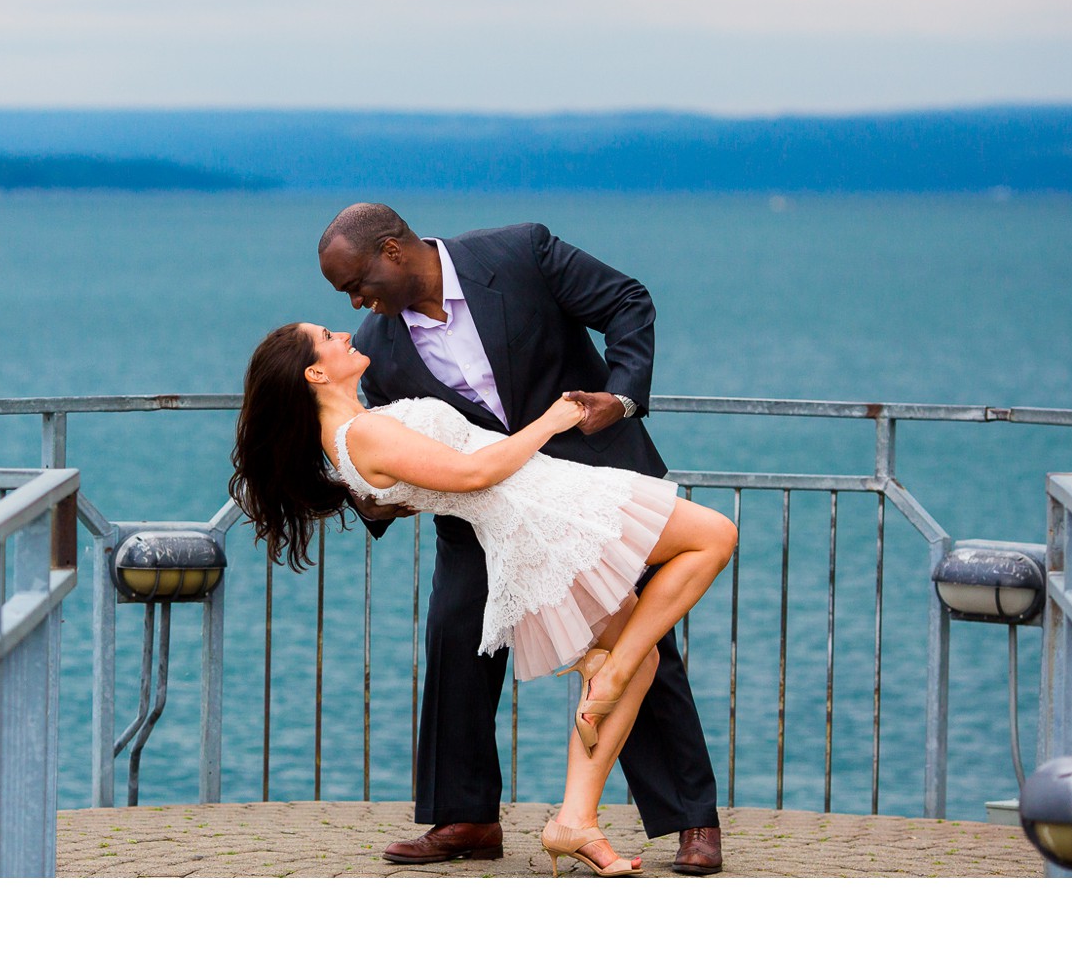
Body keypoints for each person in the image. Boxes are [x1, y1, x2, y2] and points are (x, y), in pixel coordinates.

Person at [229, 322, 734, 875]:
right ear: (316, 372)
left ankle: (576, 820)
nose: (344, 333)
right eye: (327, 336)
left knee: (643, 657)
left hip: (538, 515)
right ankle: (606, 681)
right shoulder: (358, 435)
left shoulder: (355, 430)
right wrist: (555, 419)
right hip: (549, 513)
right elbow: (472, 473)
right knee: (714, 536)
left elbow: (427, 480)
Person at [316, 203, 727, 874]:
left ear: (393, 250)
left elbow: (627, 301)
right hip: (481, 514)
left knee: (643, 642)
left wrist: (619, 399)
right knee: (455, 636)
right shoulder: (378, 346)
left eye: (356, 282)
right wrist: (375, 501)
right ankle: (467, 817)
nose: (356, 300)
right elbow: (385, 453)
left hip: (593, 482)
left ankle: (690, 821)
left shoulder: (520, 252)